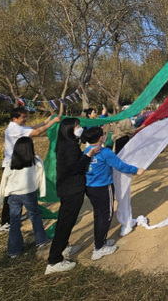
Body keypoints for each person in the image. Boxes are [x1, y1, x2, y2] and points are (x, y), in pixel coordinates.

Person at [45, 118, 102, 275]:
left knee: (66, 221)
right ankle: (54, 260)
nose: (79, 128)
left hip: (67, 188)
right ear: (69, 129)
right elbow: (76, 167)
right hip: (72, 190)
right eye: (77, 126)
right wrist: (89, 154)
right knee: (65, 223)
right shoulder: (69, 146)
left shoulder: (66, 144)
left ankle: (63, 247)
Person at [82, 127, 144, 260]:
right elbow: (120, 165)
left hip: (90, 188)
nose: (105, 136)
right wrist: (136, 170)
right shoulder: (105, 152)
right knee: (106, 215)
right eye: (103, 134)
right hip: (103, 188)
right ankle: (99, 248)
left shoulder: (86, 151)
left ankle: (100, 241)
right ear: (101, 138)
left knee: (98, 215)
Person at [0, 108, 59, 232]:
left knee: (18, 192)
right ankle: (5, 222)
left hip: (19, 164)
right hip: (12, 165)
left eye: (25, 116)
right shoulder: (14, 129)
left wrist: (46, 121)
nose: (25, 119)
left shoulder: (17, 127)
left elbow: (33, 127)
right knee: (11, 194)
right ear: (14, 118)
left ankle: (14, 215)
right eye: (23, 117)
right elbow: (36, 132)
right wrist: (52, 123)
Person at [0, 137, 50, 258]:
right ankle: (41, 240)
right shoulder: (36, 161)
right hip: (28, 193)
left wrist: (1, 199)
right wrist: (42, 192)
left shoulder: (11, 163)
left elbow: (4, 181)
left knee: (14, 221)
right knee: (35, 216)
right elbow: (41, 177)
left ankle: (14, 250)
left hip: (13, 195)